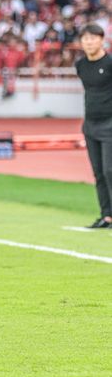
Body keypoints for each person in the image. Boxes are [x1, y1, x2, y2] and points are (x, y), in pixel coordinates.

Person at [76, 23, 112, 228]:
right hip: (90, 124)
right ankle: (106, 215)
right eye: (85, 39)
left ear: (101, 39)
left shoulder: (109, 63)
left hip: (110, 124)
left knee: (110, 170)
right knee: (98, 172)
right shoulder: (80, 65)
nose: (89, 42)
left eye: (93, 38)